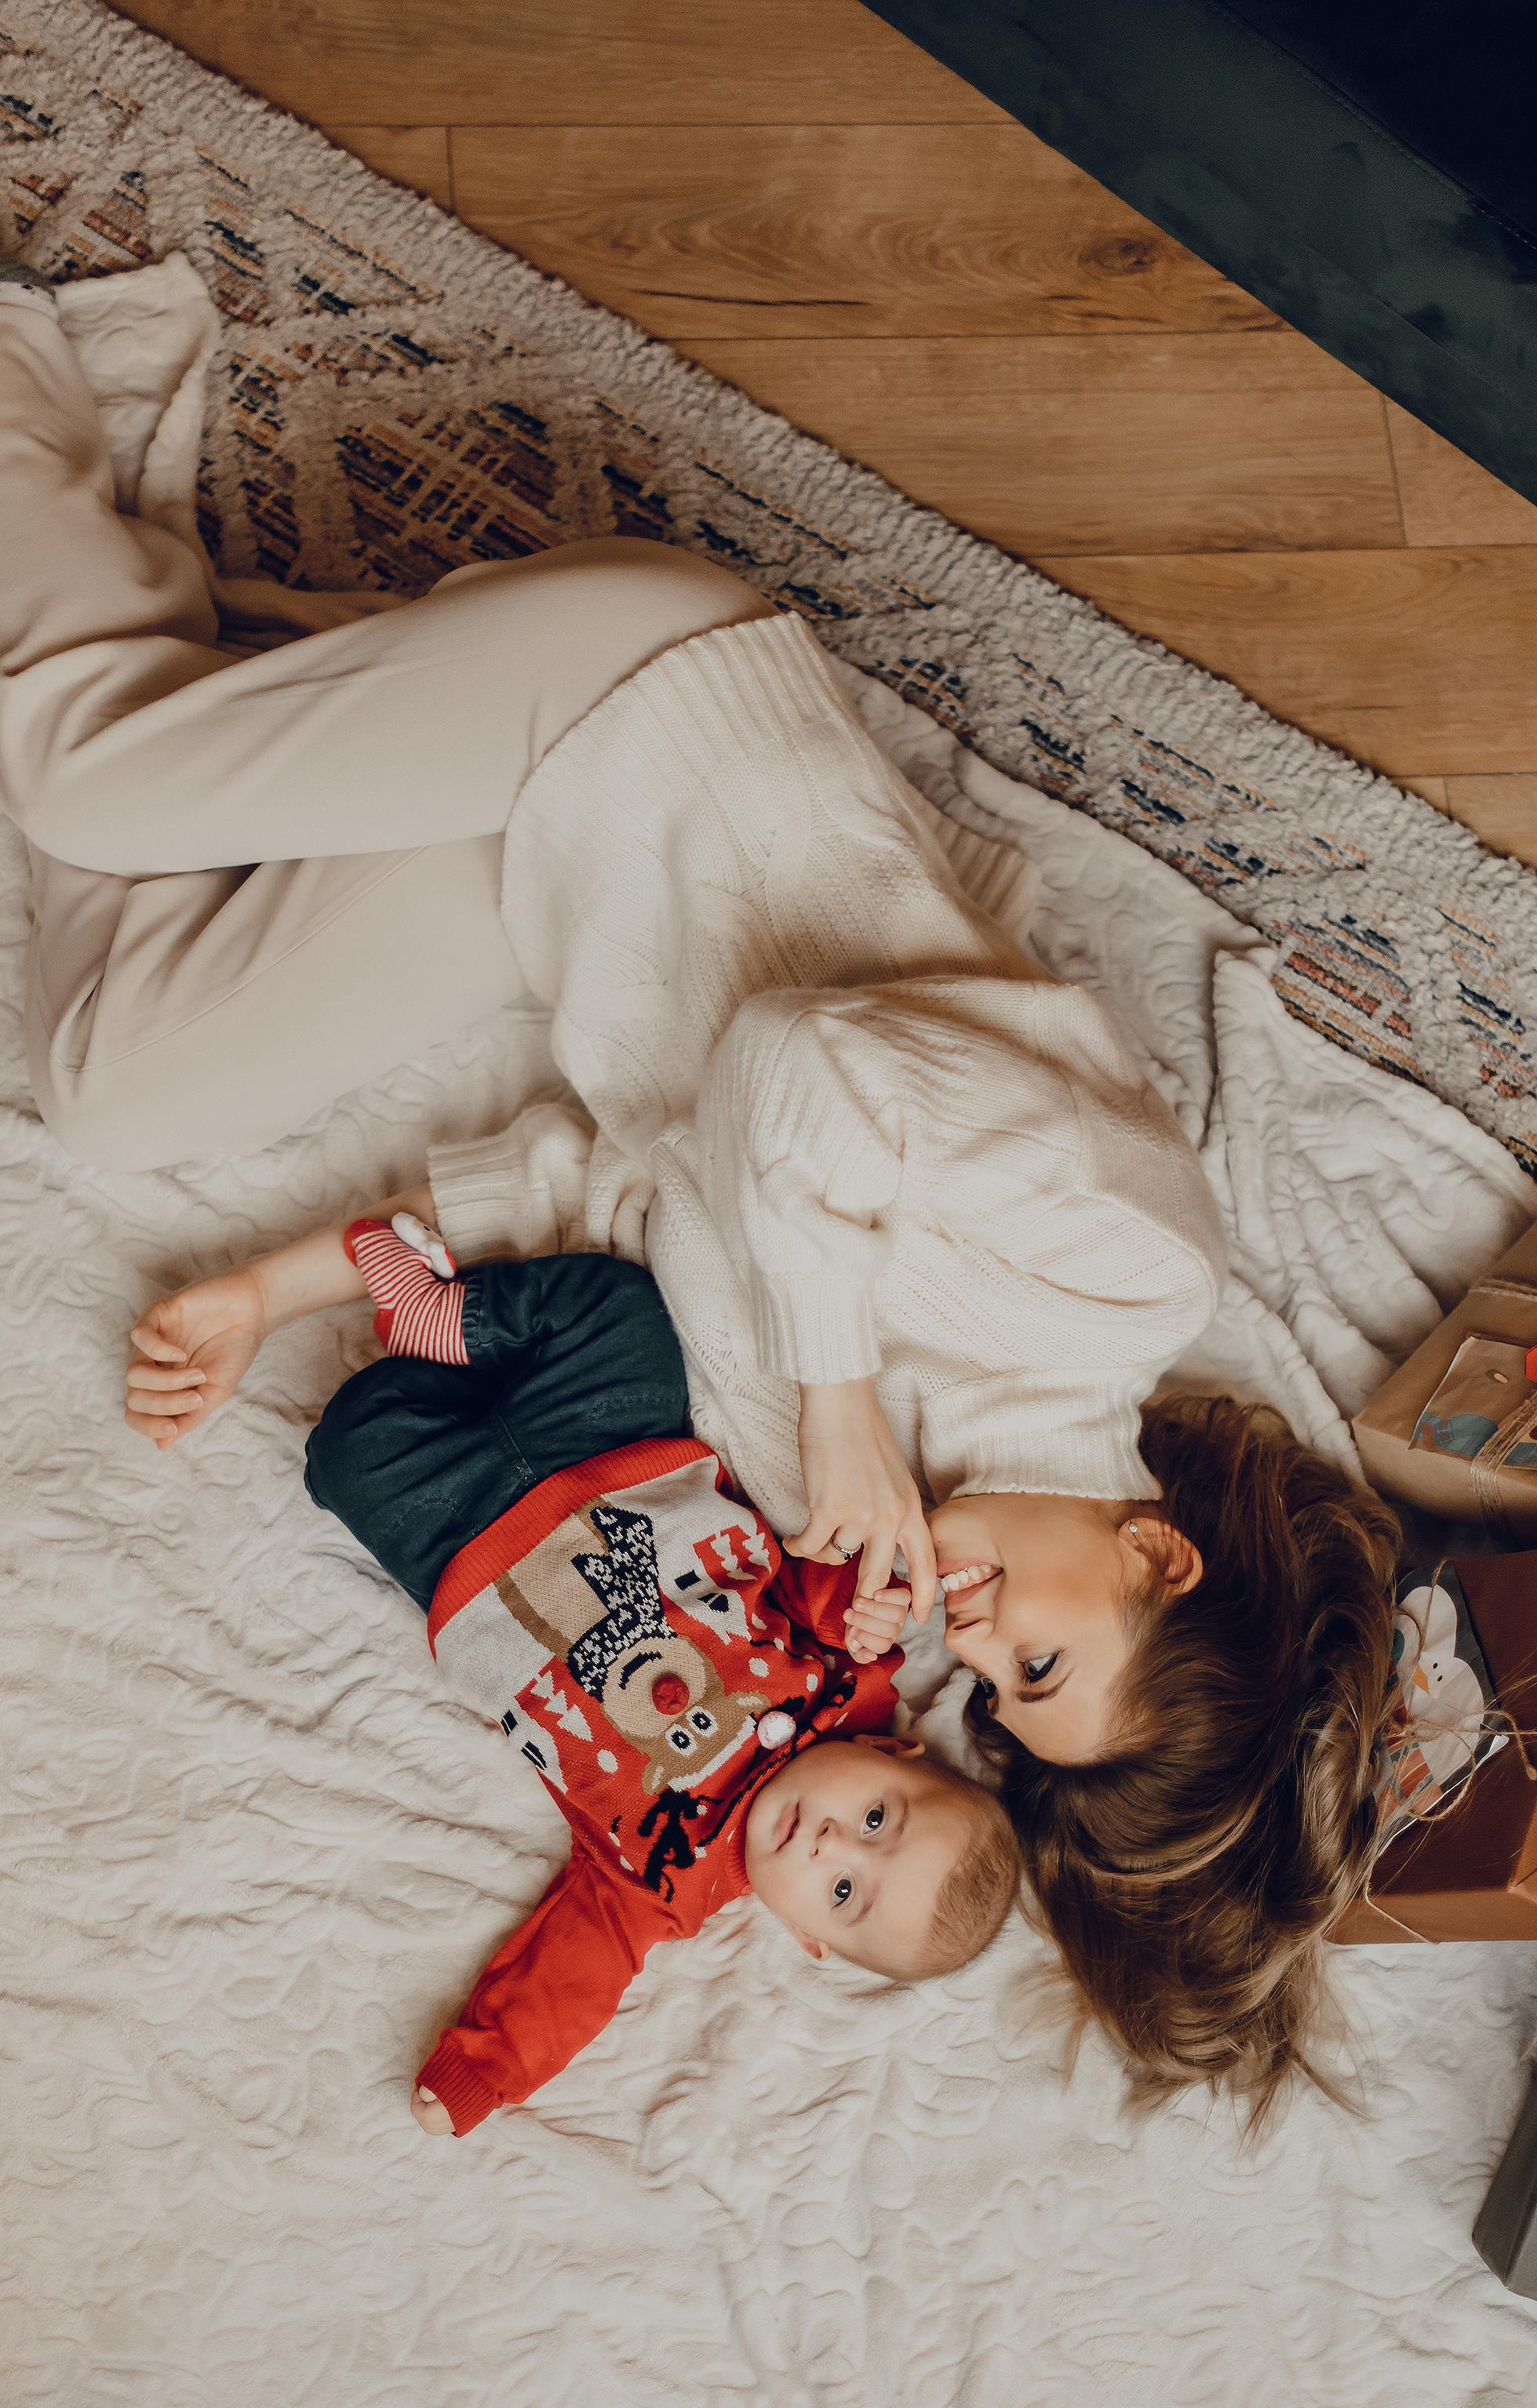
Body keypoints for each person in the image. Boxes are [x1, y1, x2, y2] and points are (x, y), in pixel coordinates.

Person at [0, 267, 1398, 2115]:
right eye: (1038, 1652)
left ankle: (134, 601)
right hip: (633, 719)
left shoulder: (859, 1530)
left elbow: (621, 1186)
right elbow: (791, 1073)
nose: (966, 1649)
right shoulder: (1118, 1278)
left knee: (111, 1085)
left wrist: (282, 1281)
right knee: (83, 782)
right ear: (1153, 1550)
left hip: (547, 908)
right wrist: (833, 1408)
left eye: (998, 1700)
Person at [169, 1209, 1022, 2137]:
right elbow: (826, 1564)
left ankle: (441, 1353)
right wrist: (870, 1601)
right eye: (875, 1818)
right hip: (617, 1451)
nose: (831, 1844)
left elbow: (576, 1969)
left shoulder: (662, 1882)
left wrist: (486, 2071)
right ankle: (445, 1315)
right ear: (896, 1752)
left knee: (344, 1451)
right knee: (621, 1310)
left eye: (845, 1892)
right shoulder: (850, 1674)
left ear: (807, 1937)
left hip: (464, 1544)